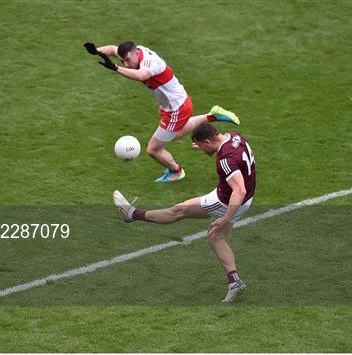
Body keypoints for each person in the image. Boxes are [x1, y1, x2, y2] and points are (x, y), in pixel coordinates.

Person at [113, 123, 256, 302]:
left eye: (201, 145)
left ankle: (131, 214)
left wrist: (226, 218)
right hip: (246, 198)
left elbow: (239, 190)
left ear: (207, 141)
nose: (201, 150)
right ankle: (234, 283)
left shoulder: (225, 160)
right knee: (216, 237)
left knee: (178, 211)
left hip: (227, 201)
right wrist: (203, 144)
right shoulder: (235, 137)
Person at [84, 41, 240, 182]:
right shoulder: (133, 52)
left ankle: (176, 172)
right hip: (177, 104)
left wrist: (116, 68)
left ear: (136, 53)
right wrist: (96, 51)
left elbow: (141, 75)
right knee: (175, 135)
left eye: (127, 60)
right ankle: (212, 116)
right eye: (122, 61)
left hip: (176, 109)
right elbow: (112, 49)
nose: (126, 63)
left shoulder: (150, 63)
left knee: (153, 149)